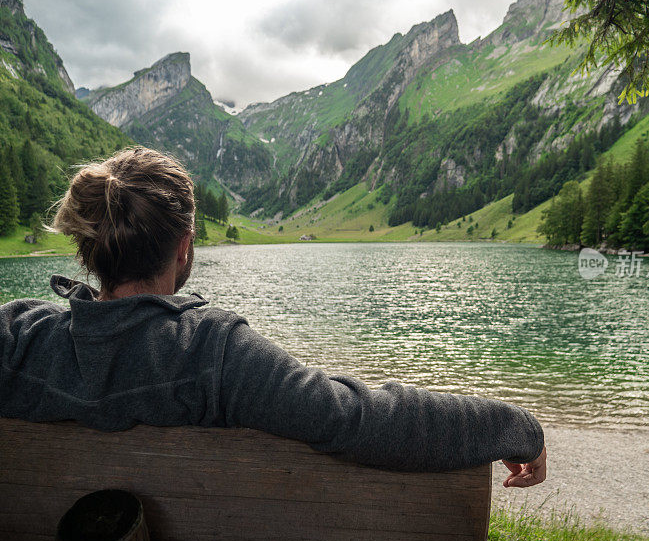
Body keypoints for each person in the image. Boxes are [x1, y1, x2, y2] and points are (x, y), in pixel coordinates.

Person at [0, 147, 546, 488]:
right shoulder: (215, 355)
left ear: (87, 249)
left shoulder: (19, 336)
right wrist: (515, 426)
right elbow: (361, 419)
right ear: (185, 248)